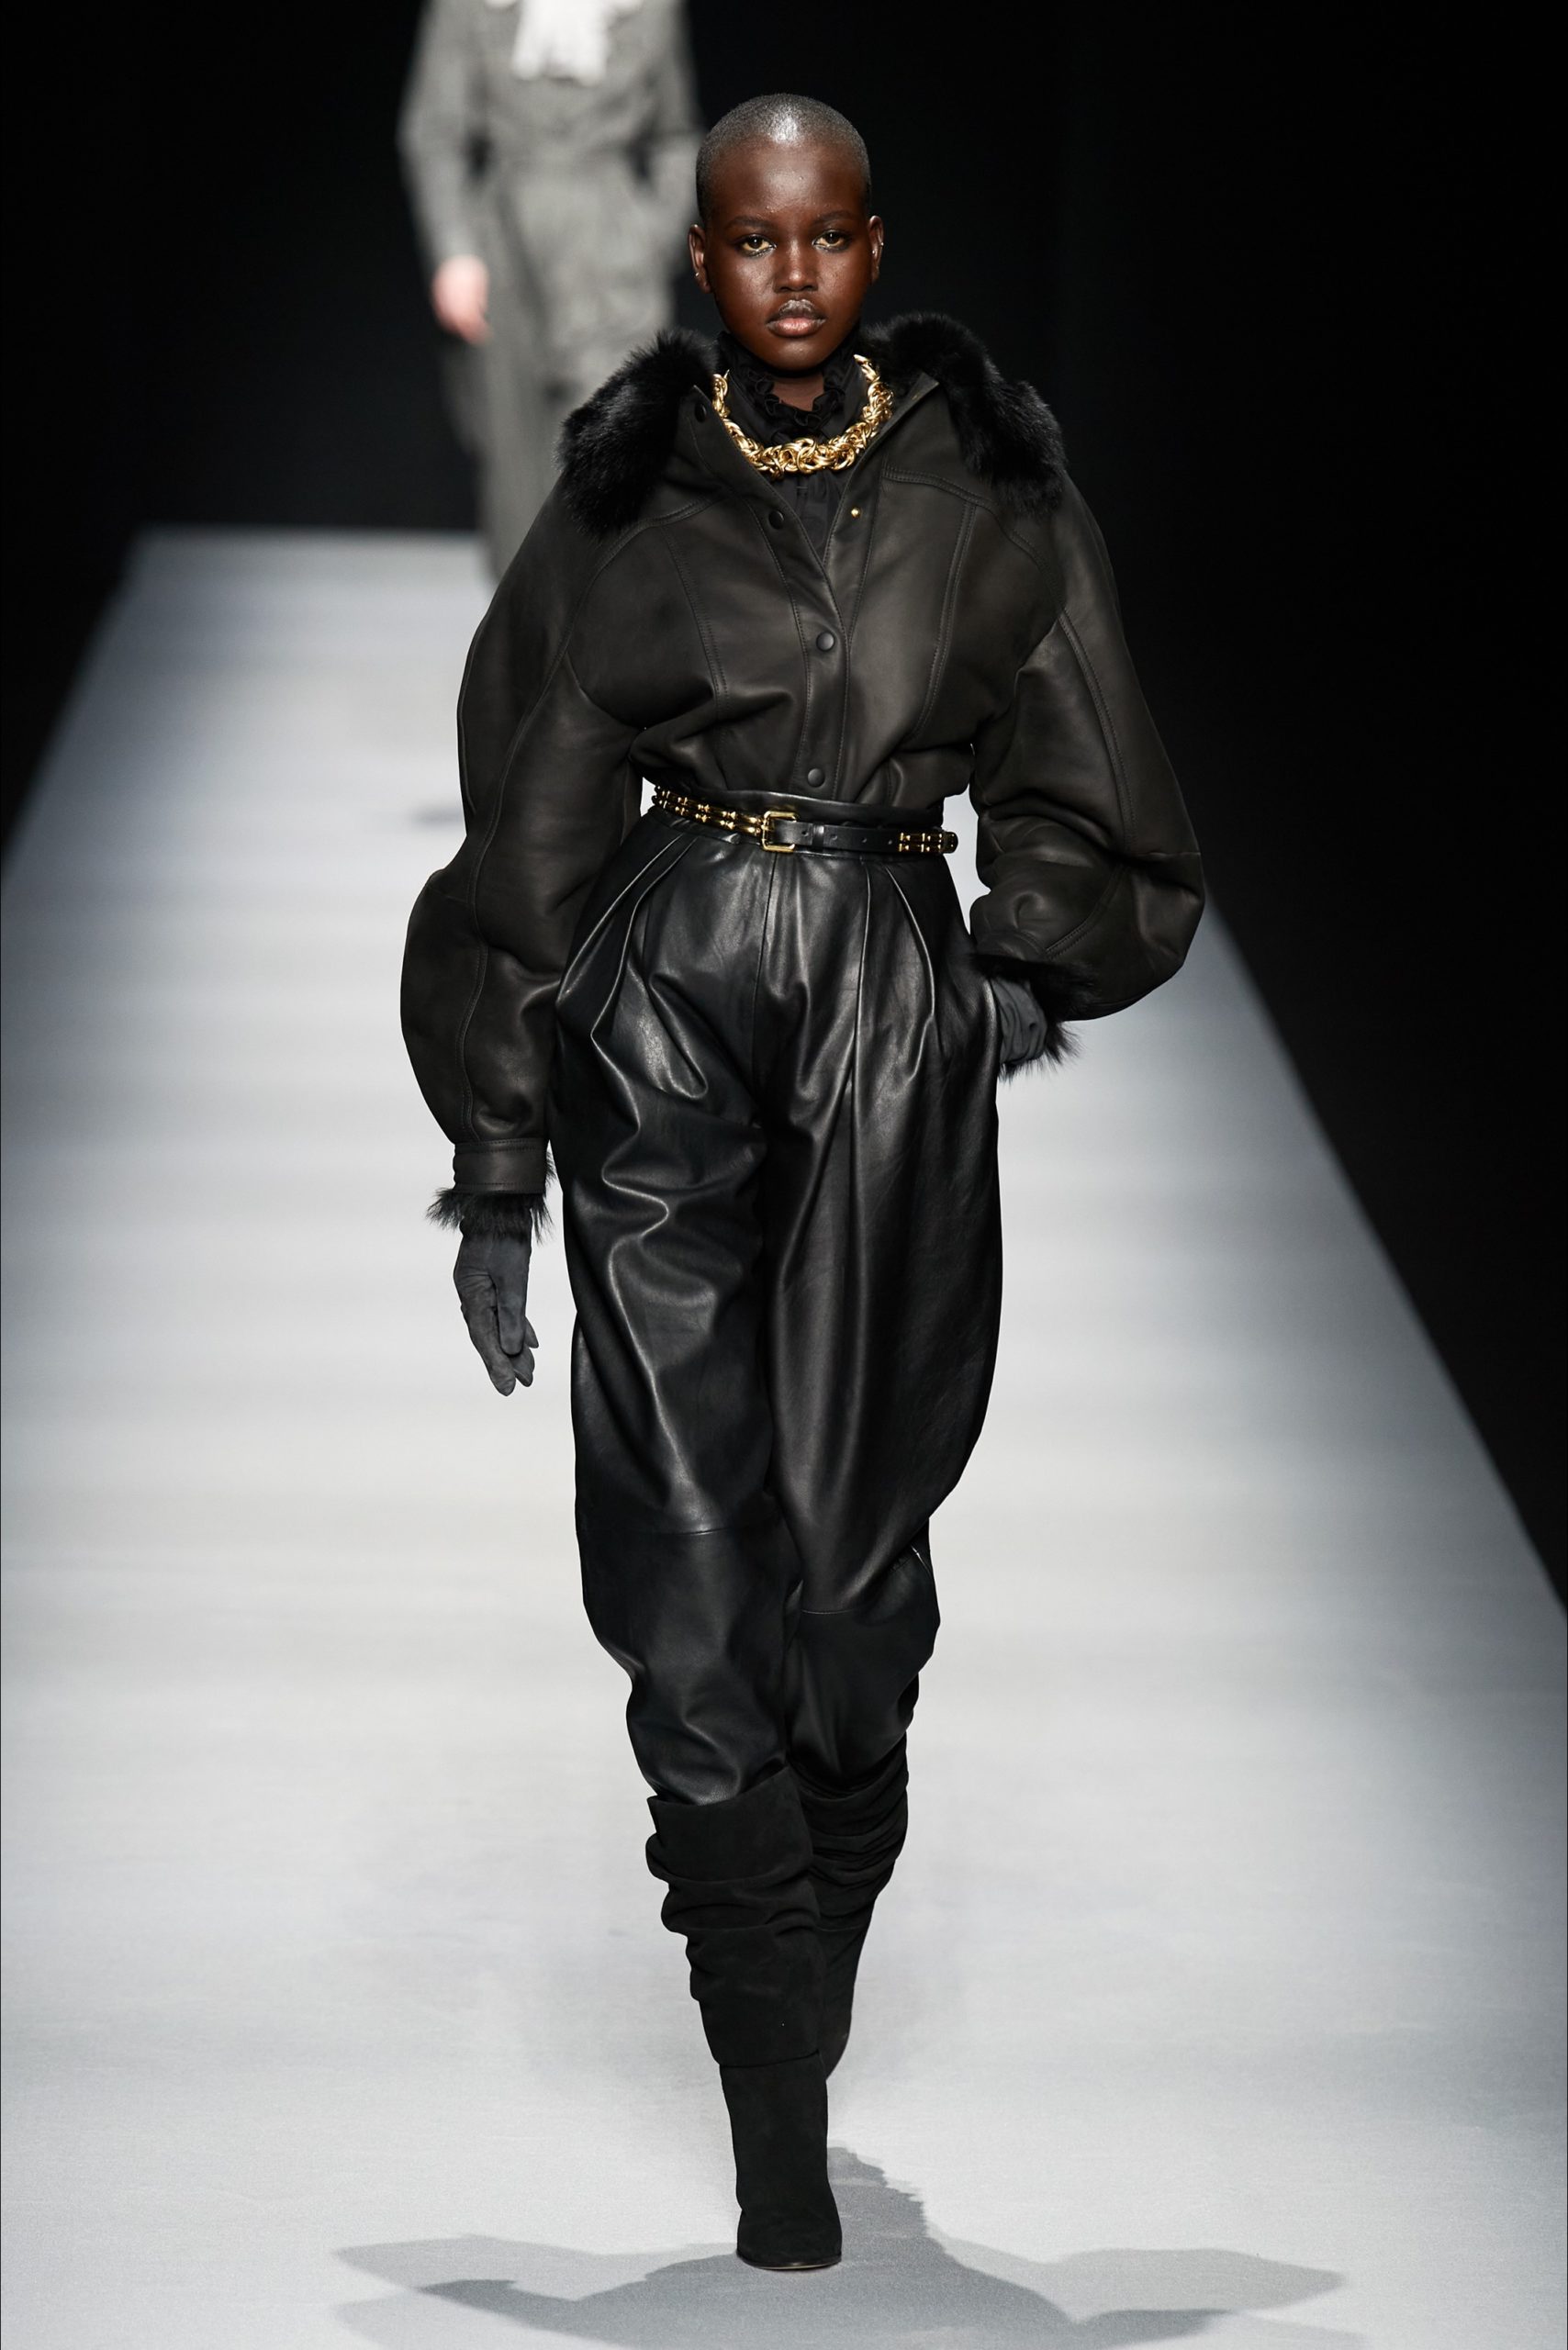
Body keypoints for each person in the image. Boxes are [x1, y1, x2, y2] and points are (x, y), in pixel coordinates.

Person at [401, 94, 1204, 2272]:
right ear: (701, 258)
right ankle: (776, 2117)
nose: (789, 276)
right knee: (680, 1562)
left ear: (872, 244)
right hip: (666, 995)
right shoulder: (627, 491)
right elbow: (528, 806)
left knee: (852, 1578)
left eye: (826, 237)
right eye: (752, 241)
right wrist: (497, 1159)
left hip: (882, 1004)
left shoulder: (986, 480)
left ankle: (813, 1919)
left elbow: (1092, 763)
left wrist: (1018, 968)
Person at [398, 0, 700, 575]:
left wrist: (654, 234)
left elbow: (677, 134)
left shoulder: (646, 9)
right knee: (513, 465)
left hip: (610, 245)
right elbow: (436, 132)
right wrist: (455, 250)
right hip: (505, 243)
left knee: (612, 451)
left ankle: (606, 625)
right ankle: (528, 626)